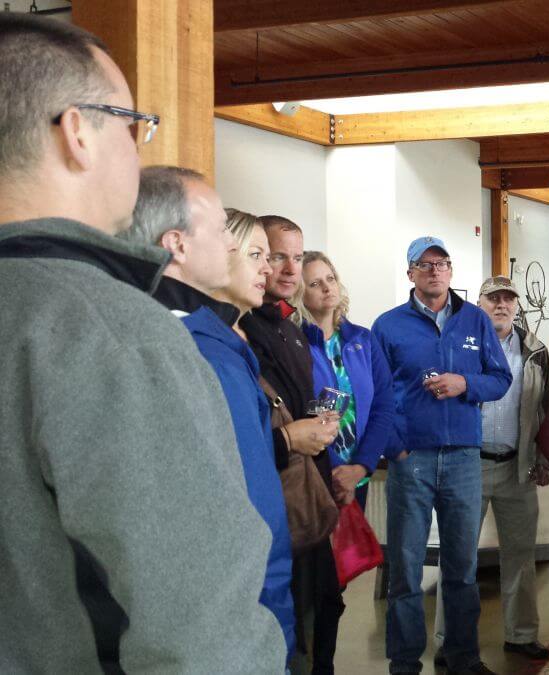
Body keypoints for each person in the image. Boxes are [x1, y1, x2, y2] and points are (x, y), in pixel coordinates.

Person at [0, 13, 284, 671]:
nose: (139, 149)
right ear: (78, 132)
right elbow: (202, 633)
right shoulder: (109, 330)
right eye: (134, 126)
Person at [122, 168, 297, 662]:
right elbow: (249, 510)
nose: (231, 246)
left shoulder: (147, 328)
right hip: (232, 623)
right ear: (176, 244)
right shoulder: (201, 351)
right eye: (222, 230)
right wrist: (272, 627)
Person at [373, 236, 512, 675]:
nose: (435, 270)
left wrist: (464, 385)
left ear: (451, 272)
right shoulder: (388, 326)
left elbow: (500, 378)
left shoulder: (474, 320)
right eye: (426, 264)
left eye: (443, 263)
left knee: (462, 568)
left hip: (463, 460)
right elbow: (375, 393)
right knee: (406, 568)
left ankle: (463, 658)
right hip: (410, 459)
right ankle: (404, 663)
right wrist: (394, 445)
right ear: (410, 273)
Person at [433, 276, 549, 666]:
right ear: (480, 304)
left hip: (516, 468)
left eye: (508, 299)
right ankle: (449, 640)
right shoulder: (459, 343)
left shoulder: (534, 351)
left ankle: (521, 636)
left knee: (520, 556)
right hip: (466, 465)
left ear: (516, 306)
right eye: (493, 299)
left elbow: (547, 409)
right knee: (458, 557)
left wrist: (545, 458)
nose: (501, 305)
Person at [240, 214, 341, 674]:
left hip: (309, 492)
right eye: (275, 256)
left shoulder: (295, 332)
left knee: (324, 612)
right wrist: (290, 438)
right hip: (273, 500)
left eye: (296, 258)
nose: (286, 270)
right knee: (292, 632)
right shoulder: (243, 332)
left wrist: (321, 431)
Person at [296, 250, 395, 507]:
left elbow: (383, 407)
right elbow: (296, 414)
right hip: (315, 474)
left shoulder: (363, 340)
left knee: (351, 547)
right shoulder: (294, 344)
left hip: (357, 475)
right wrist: (337, 472)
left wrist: (361, 467)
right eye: (315, 283)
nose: (327, 288)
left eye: (330, 279)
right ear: (299, 293)